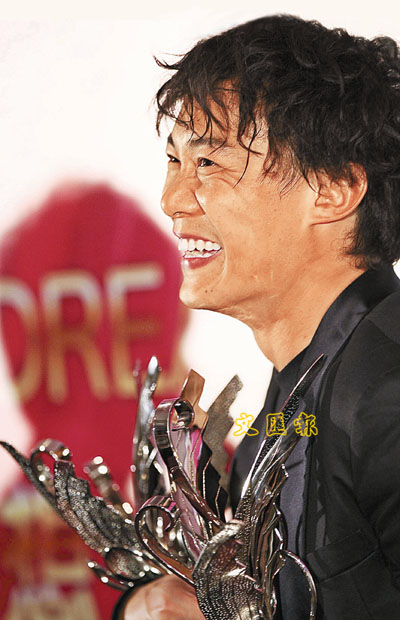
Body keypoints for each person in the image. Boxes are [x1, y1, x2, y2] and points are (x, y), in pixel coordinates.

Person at [118, 14, 400, 619]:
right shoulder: (292, 391)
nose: (171, 200)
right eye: (174, 161)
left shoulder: (387, 395)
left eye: (209, 163)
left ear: (332, 190)